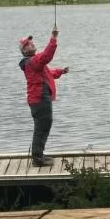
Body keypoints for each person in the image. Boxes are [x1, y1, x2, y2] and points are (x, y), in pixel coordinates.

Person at [19, 25, 69, 166]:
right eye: (27, 44)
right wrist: (53, 38)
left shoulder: (34, 62)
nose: (31, 44)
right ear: (24, 50)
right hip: (40, 99)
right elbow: (47, 55)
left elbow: (48, 74)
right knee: (42, 126)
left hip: (39, 99)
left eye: (31, 42)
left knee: (43, 125)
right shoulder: (33, 61)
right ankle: (37, 158)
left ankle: (39, 154)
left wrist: (61, 72)